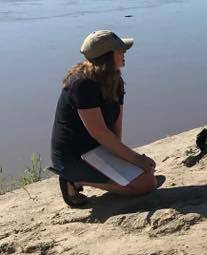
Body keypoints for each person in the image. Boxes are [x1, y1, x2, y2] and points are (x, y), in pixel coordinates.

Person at [50, 30, 159, 206]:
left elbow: (115, 129)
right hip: (75, 156)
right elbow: (99, 132)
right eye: (120, 50)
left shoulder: (116, 80)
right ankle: (74, 180)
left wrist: (125, 160)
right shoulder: (82, 84)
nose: (124, 53)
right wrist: (137, 160)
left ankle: (110, 177)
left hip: (98, 150)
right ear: (107, 57)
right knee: (147, 183)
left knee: (148, 172)